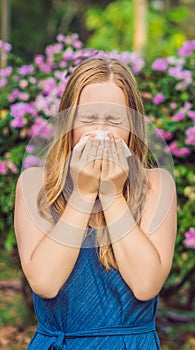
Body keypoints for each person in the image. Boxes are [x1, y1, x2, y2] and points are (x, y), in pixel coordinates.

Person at [14, 58, 177, 350]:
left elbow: (146, 284)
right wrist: (84, 194)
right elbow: (45, 282)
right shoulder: (34, 184)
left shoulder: (157, 185)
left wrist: (112, 195)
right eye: (88, 119)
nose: (101, 132)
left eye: (115, 121)